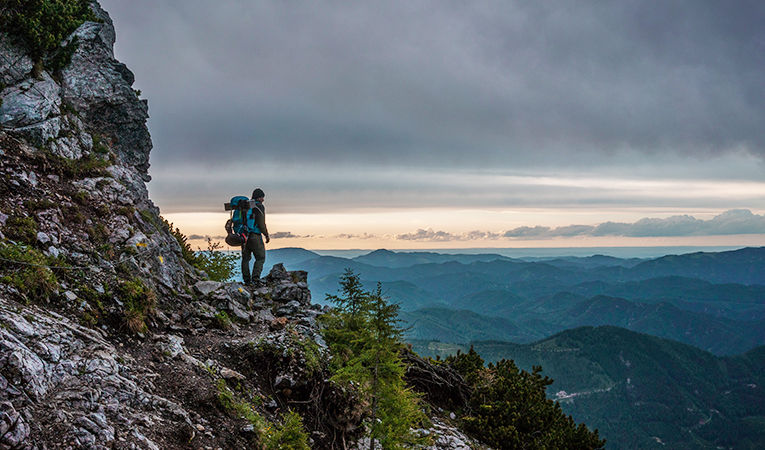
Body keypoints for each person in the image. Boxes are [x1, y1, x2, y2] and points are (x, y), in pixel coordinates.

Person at [241, 188, 270, 285]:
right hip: (255, 235)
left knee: (245, 259)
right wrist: (266, 235)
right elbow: (261, 223)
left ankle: (247, 280)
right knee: (260, 257)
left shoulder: (246, 205)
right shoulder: (259, 206)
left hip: (244, 236)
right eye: (262, 197)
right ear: (259, 197)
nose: (263, 200)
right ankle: (255, 279)